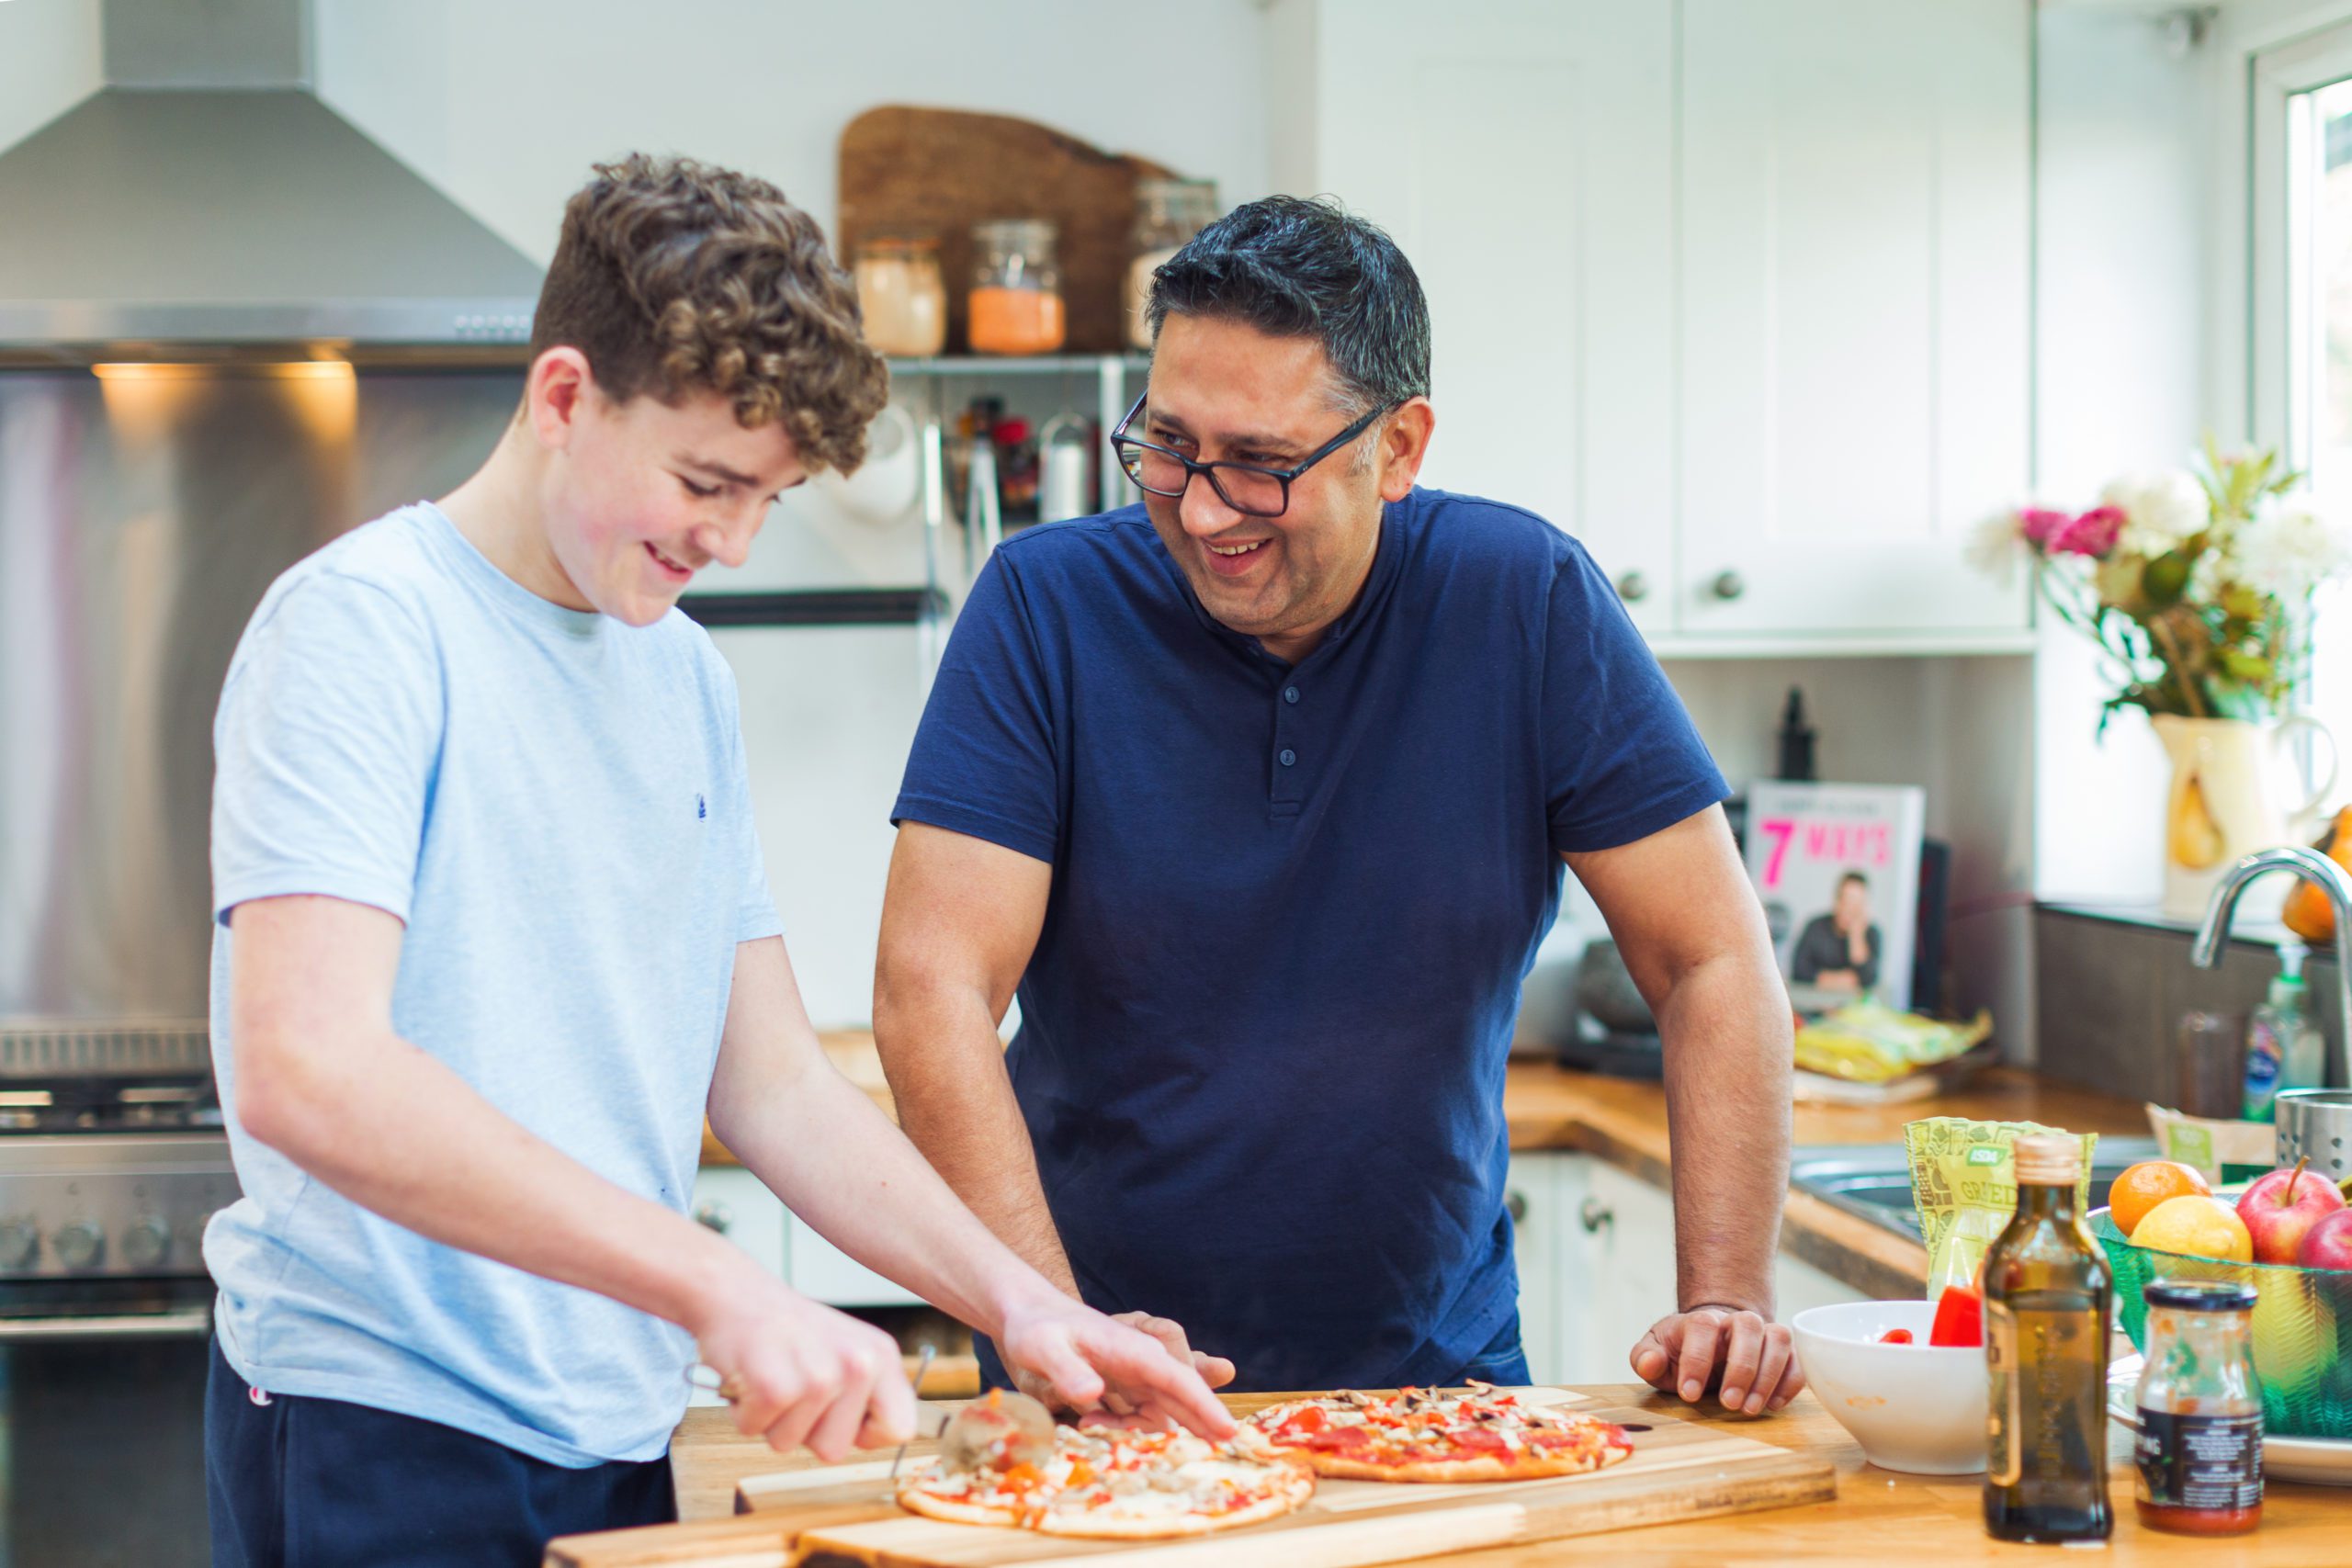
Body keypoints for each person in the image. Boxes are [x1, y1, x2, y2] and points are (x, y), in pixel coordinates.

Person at [202, 154, 1227, 1567]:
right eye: (705, 481)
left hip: (613, 1427)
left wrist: (1021, 1301)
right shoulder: (365, 631)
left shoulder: (680, 674)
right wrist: (720, 1286)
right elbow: (310, 1068)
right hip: (379, 1422)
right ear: (565, 397)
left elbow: (776, 1083)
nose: (733, 540)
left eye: (769, 497)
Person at [874, 197, 1805, 1416]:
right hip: (1098, 1376)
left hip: (1441, 1382)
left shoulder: (1526, 602)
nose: (1202, 507)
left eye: (1261, 466)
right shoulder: (1044, 609)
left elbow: (1712, 954)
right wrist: (1050, 1316)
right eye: (1167, 443)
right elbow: (928, 989)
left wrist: (1728, 1292)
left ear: (1401, 448)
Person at [1790, 871, 1882, 993]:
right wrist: (1842, 981)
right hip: (1814, 1003)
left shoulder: (1872, 933)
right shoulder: (1815, 926)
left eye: (1856, 904)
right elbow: (1799, 971)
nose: (1850, 909)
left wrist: (1856, 935)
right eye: (1846, 901)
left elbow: (1869, 979)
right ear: (1837, 901)